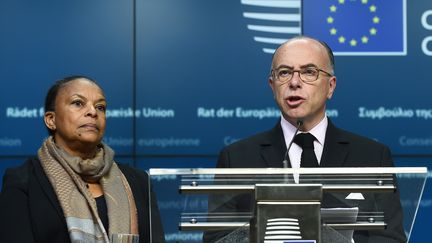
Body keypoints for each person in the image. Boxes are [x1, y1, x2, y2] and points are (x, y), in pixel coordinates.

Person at [204, 36, 406, 242]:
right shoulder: (236, 159)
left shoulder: (373, 156)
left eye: (309, 72)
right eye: (284, 72)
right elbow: (217, 238)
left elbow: (390, 238)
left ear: (331, 86)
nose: (294, 82)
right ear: (272, 86)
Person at [0, 76, 165, 243]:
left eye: (100, 107)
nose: (93, 112)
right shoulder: (23, 181)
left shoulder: (138, 182)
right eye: (78, 103)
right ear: (51, 120)